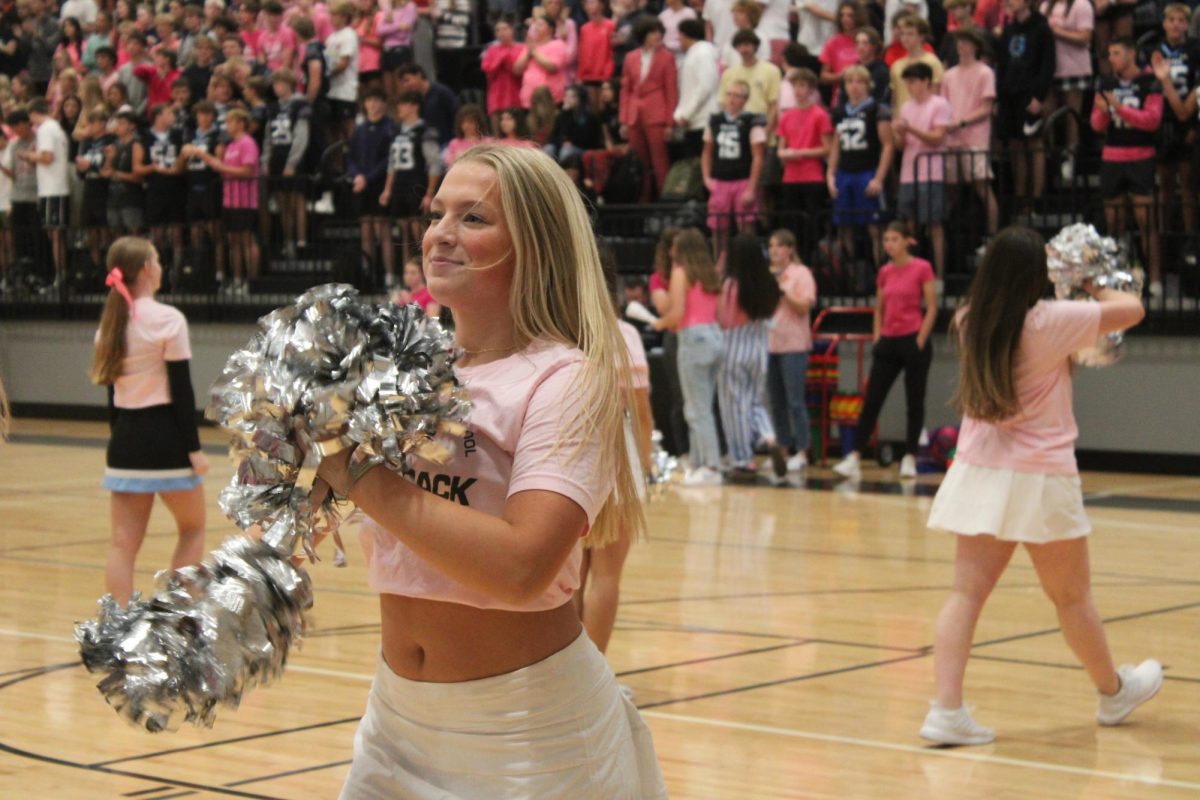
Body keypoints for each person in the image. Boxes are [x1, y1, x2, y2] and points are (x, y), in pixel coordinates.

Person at [315, 144, 667, 798]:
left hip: (527, 732)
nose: (441, 233)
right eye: (437, 213)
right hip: (394, 721)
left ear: (533, 245)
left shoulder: (565, 379)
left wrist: (357, 473)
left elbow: (521, 568)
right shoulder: (411, 370)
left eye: (473, 219)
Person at [921, 225, 1160, 746]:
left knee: (964, 595)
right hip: (1041, 479)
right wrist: (1092, 280)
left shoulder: (968, 320)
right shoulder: (1049, 320)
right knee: (1072, 598)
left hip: (979, 473)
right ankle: (1113, 692)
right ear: (1036, 277)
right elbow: (1133, 310)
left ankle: (946, 710)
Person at [90, 236, 208, 607]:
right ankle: (175, 619)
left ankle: (119, 628)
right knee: (193, 528)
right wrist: (194, 449)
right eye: (157, 259)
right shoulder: (169, 319)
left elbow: (111, 400)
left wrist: (121, 444)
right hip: (168, 441)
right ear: (145, 269)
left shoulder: (108, 326)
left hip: (125, 441)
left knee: (122, 546)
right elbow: (181, 391)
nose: (161, 266)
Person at [833, 220, 937, 481]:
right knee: (873, 400)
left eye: (893, 239)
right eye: (886, 239)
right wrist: (878, 337)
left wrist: (921, 339)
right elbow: (878, 308)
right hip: (888, 341)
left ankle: (910, 457)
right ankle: (855, 456)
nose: (888, 244)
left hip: (913, 339)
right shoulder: (885, 271)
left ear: (906, 241)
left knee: (915, 401)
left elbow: (932, 306)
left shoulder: (922, 268)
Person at [1092, 37, 1163, 303]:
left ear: (1131, 54)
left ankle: (1154, 278)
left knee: (1147, 222)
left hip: (1141, 156)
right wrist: (1105, 113)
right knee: (1115, 224)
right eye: (1109, 53)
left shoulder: (1149, 82)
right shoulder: (1105, 83)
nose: (1111, 58)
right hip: (1112, 156)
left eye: (1117, 53)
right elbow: (1097, 125)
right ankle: (1118, 279)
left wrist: (1119, 108)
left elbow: (1152, 120)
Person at [651, 227, 723, 485]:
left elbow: (677, 313)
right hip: (714, 336)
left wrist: (660, 323)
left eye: (675, 247)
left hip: (692, 338)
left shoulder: (681, 273)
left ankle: (711, 467)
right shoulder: (710, 274)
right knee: (703, 406)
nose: (671, 251)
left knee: (696, 408)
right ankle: (698, 462)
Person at [717, 234, 789, 485]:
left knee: (733, 405)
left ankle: (743, 460)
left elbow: (724, 320)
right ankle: (769, 437)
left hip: (733, 346)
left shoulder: (732, 284)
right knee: (754, 401)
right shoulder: (769, 282)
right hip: (759, 346)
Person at [828, 64, 893, 270]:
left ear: (867, 85)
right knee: (844, 226)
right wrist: (830, 175)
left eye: (859, 81)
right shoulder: (840, 112)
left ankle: (880, 275)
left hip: (868, 171)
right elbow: (836, 146)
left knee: (875, 227)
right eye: (849, 82)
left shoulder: (877, 109)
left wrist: (879, 178)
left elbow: (888, 145)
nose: (854, 86)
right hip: (845, 173)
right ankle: (851, 277)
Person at [893, 61, 951, 279]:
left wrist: (910, 128)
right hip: (909, 173)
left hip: (931, 171)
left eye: (914, 81)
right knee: (910, 226)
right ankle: (912, 273)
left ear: (926, 81)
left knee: (935, 226)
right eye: (907, 82)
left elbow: (937, 137)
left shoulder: (939, 104)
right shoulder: (906, 107)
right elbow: (901, 145)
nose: (910, 86)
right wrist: (898, 133)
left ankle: (939, 275)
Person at [940, 27, 999, 242]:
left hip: (975, 137)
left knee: (982, 187)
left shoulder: (985, 72)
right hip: (952, 138)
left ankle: (992, 235)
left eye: (965, 42)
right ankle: (950, 233)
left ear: (975, 45)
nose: (960, 46)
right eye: (959, 42)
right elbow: (943, 106)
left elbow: (986, 107)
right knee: (951, 190)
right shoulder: (948, 75)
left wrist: (962, 121)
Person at [765, 229, 816, 475]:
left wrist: (783, 291)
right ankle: (783, 448)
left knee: (795, 401)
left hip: (794, 345)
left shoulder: (801, 273)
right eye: (771, 246)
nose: (773, 251)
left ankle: (803, 450)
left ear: (790, 249)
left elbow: (804, 307)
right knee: (776, 402)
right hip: (770, 344)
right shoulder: (767, 275)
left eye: (778, 246)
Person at [996, 0, 1056, 209]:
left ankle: (1037, 197)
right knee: (1015, 145)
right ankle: (1021, 197)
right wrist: (1000, 95)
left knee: (1034, 142)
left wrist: (1039, 96)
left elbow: (1048, 65)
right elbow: (1001, 64)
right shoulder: (1008, 29)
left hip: (1030, 94)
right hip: (1010, 95)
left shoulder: (1041, 28)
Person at [380, 89, 442, 285]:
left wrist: (430, 192)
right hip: (399, 186)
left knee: (418, 230)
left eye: (403, 104)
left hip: (416, 183)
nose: (399, 108)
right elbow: (392, 163)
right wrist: (387, 189)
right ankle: (409, 275)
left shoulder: (424, 131)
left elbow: (434, 163)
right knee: (403, 229)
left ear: (414, 106)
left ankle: (426, 271)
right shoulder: (397, 132)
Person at [199, 107, 259, 294]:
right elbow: (222, 168)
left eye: (230, 122)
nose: (227, 126)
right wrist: (216, 159)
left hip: (245, 200)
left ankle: (252, 281)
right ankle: (237, 279)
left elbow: (248, 171)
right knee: (233, 241)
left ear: (240, 123)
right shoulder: (230, 146)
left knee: (246, 240)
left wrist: (221, 165)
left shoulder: (247, 143)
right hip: (230, 200)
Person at [777, 68, 833, 267]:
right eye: (795, 86)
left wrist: (800, 153)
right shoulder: (786, 116)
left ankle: (811, 265)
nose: (798, 90)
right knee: (792, 224)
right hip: (791, 177)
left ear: (811, 89)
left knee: (811, 225)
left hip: (812, 176)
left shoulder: (820, 115)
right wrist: (785, 153)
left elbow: (827, 148)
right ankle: (794, 263)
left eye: (802, 86)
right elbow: (780, 148)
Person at [618, 17, 677, 201]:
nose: (657, 35)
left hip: (657, 113)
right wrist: (624, 119)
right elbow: (626, 90)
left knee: (660, 162)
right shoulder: (631, 57)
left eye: (659, 31)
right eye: (653, 32)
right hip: (634, 114)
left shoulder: (667, 58)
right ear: (643, 35)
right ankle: (642, 201)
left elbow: (671, 91)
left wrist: (669, 123)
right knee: (639, 161)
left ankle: (665, 200)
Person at [703, 80, 766, 248]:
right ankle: (720, 263)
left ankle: (749, 262)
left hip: (743, 180)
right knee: (718, 227)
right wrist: (707, 178)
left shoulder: (752, 122)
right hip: (720, 180)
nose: (731, 99)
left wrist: (751, 188)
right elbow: (707, 152)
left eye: (737, 96)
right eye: (729, 94)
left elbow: (758, 157)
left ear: (745, 99)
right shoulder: (715, 121)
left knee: (746, 226)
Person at [348, 87, 398, 289]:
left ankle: (389, 275)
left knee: (383, 230)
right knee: (366, 230)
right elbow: (350, 157)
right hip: (362, 184)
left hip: (379, 184)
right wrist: (357, 175)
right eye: (369, 100)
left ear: (384, 104)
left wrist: (367, 178)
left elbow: (389, 159)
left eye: (377, 100)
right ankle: (369, 273)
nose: (373, 105)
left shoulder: (390, 127)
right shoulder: (359, 130)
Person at [1040, 0, 1093, 182]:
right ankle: (1051, 155)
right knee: (1048, 113)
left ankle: (1070, 156)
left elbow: (1085, 37)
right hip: (1050, 67)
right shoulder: (1046, 5)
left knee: (1072, 115)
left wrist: (1056, 32)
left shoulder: (1081, 5)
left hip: (1075, 67)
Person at [648, 227, 689, 458]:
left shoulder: (693, 272)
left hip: (694, 336)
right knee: (680, 398)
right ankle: (683, 451)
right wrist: (678, 279)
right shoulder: (658, 279)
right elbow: (667, 310)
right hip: (675, 337)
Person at [263, 69, 312, 257]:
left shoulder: (299, 105)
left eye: (280, 84)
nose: (277, 88)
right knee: (283, 202)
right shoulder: (273, 108)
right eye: (275, 84)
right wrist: (266, 160)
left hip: (293, 157)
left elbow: (301, 136)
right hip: (277, 156)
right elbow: (268, 137)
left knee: (297, 200)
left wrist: (292, 163)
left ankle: (301, 240)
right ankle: (288, 240)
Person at [138, 104, 187, 287]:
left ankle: (178, 269)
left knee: (176, 230)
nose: (173, 116)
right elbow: (139, 165)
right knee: (157, 231)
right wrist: (152, 168)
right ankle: (160, 269)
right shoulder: (145, 137)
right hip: (154, 188)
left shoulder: (177, 135)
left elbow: (183, 162)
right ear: (158, 115)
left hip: (175, 188)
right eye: (169, 112)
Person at [180, 100, 224, 290]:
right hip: (192, 186)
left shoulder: (218, 136)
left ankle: (220, 272)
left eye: (207, 114)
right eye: (200, 114)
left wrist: (199, 153)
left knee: (215, 232)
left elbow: (219, 162)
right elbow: (180, 166)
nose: (203, 118)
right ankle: (197, 269)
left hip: (210, 186)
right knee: (195, 230)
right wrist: (183, 155)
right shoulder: (190, 136)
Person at [27, 98, 71, 288]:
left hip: (53, 189)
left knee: (55, 234)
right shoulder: (56, 128)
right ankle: (60, 274)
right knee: (55, 233)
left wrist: (29, 156)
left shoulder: (45, 129)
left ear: (34, 113)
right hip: (55, 188)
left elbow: (47, 157)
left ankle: (61, 276)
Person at [672, 17, 719, 159]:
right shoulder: (693, 54)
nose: (678, 39)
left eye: (680, 35)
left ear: (686, 35)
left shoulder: (703, 53)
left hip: (704, 120)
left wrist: (687, 113)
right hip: (694, 121)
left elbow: (706, 85)